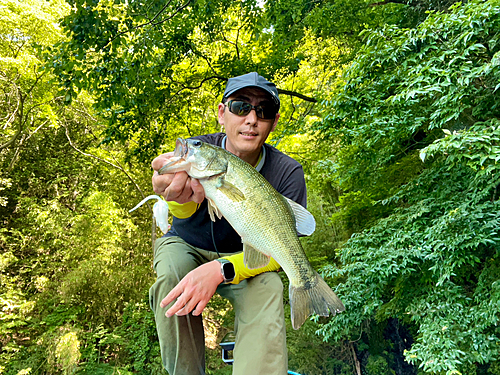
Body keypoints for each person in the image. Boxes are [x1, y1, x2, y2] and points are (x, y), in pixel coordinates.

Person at [150, 72, 308, 375]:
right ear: (222, 113)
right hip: (188, 246)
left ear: (273, 123)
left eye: (263, 111)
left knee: (271, 286)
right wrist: (175, 194)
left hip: (247, 259)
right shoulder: (201, 151)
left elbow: (282, 251)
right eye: (240, 106)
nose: (251, 119)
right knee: (171, 274)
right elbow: (177, 212)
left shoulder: (288, 172)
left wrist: (220, 269)